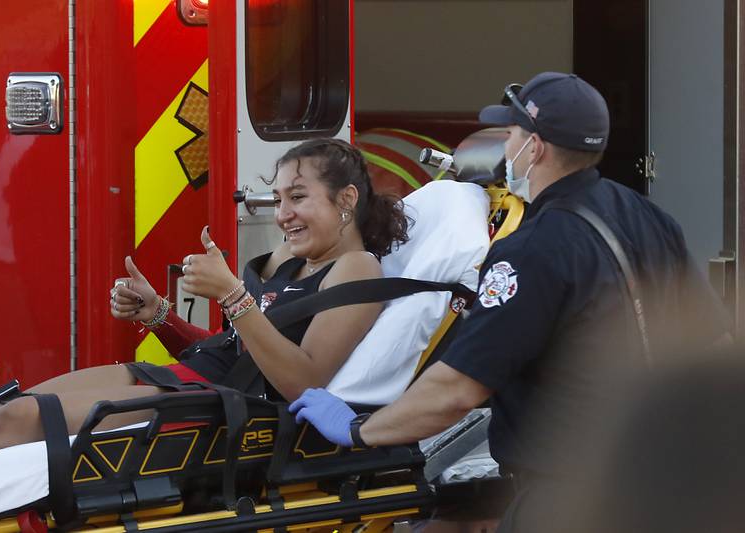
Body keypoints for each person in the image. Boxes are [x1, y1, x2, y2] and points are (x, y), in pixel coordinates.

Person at [288, 73, 731, 532]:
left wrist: (359, 429)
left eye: (512, 133)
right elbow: (715, 347)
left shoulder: (529, 250)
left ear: (534, 148)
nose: (507, 144)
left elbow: (457, 389)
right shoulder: (648, 216)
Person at [0, 138, 409, 462]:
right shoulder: (294, 255)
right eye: (280, 197)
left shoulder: (356, 267)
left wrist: (232, 295)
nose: (283, 214)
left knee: (22, 419)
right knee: (5, 410)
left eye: (299, 197)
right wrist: (160, 315)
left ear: (346, 199)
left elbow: (302, 382)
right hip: (196, 377)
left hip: (228, 406)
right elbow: (238, 351)